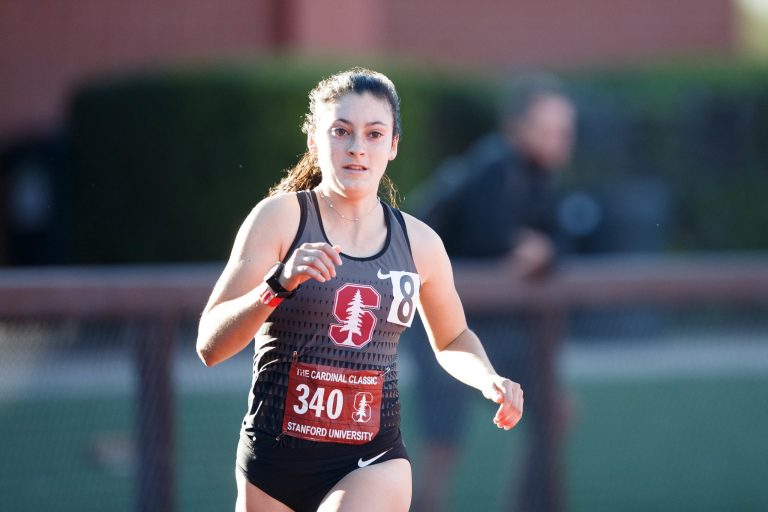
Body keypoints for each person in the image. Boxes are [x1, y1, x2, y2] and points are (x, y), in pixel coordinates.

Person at [195, 67, 524, 512]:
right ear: (314, 140)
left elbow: (452, 338)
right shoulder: (280, 219)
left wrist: (489, 378)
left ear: (392, 146)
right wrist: (278, 285)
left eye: (373, 134)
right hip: (273, 462)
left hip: (372, 458)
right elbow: (210, 346)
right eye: (341, 131)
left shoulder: (420, 244)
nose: (356, 148)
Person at [408, 74, 576, 512]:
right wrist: (527, 250)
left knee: (552, 412)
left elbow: (556, 241)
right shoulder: (494, 167)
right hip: (441, 323)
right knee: (443, 443)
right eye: (549, 129)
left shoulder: (538, 176)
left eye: (564, 131)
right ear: (518, 128)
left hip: (497, 324)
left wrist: (543, 251)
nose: (560, 141)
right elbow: (491, 244)